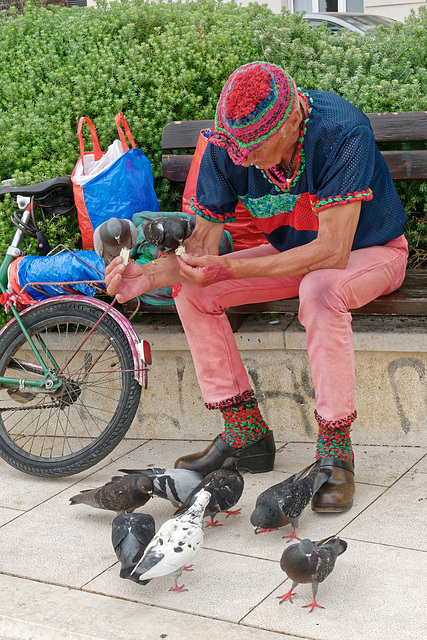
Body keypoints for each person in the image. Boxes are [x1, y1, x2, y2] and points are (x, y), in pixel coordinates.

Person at [105, 62, 408, 513]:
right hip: (297, 256)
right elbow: (200, 255)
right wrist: (146, 277)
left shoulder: (341, 130)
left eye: (253, 147)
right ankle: (245, 434)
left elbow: (332, 253)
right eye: (235, 147)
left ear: (290, 122)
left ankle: (335, 453)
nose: (242, 159)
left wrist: (230, 270)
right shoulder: (229, 146)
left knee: (321, 290)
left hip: (373, 251)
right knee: (194, 293)